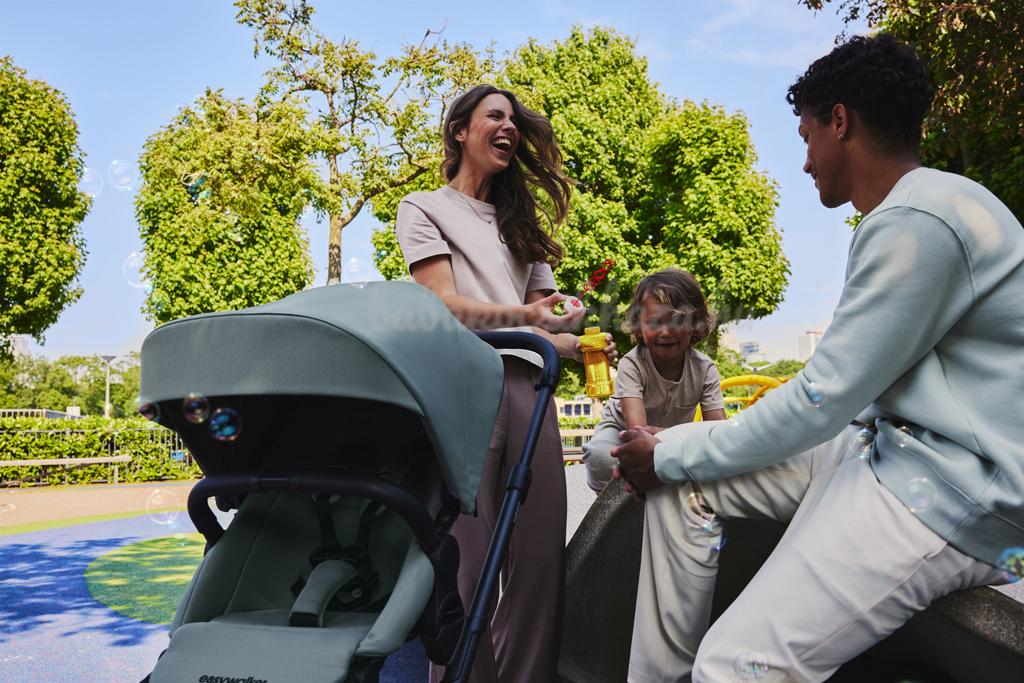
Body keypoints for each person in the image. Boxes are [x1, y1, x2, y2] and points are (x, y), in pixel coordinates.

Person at [612, 34, 1024, 682]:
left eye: (806, 138)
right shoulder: (919, 211)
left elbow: (819, 399)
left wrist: (663, 454)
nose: (805, 162)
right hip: (891, 449)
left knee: (733, 664)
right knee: (679, 478)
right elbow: (837, 393)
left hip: (953, 491)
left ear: (840, 121)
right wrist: (670, 454)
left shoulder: (920, 220)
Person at [395, 84, 614, 683]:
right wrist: (528, 317)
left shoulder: (521, 222)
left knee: (540, 559)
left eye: (515, 120)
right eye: (495, 115)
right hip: (464, 385)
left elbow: (546, 312)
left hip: (531, 388)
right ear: (460, 130)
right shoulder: (423, 208)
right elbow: (444, 305)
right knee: (468, 562)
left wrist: (570, 332)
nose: (509, 127)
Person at [581, 269, 726, 493]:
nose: (665, 332)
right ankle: (611, 504)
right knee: (601, 455)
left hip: (673, 438)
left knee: (711, 459)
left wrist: (677, 440)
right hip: (622, 432)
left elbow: (718, 431)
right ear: (639, 326)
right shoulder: (633, 364)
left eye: (677, 321)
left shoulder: (704, 369)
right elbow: (636, 432)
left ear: (696, 324)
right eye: (654, 322)